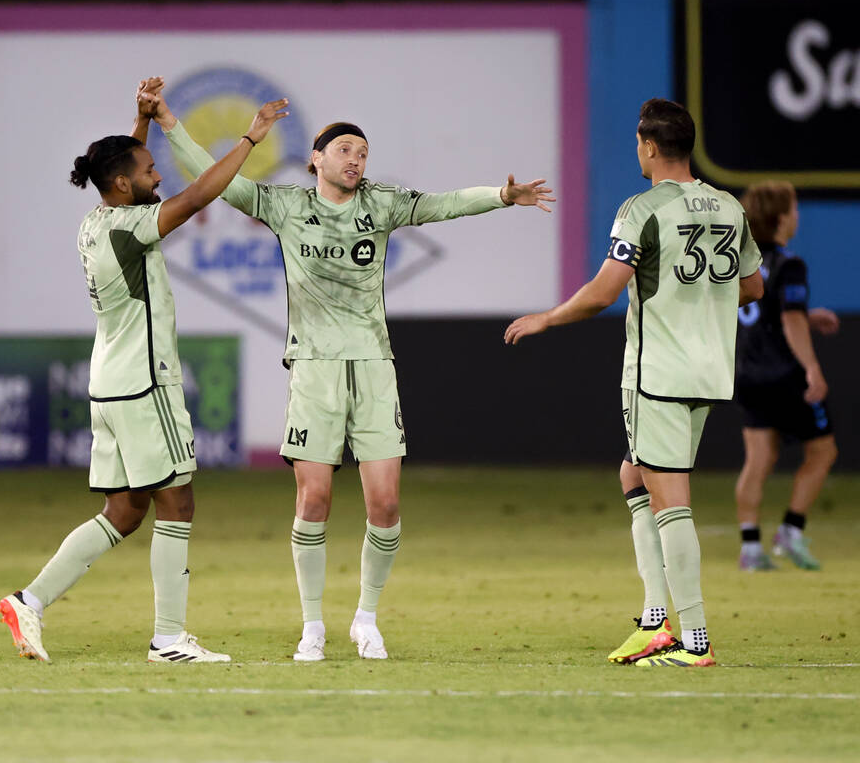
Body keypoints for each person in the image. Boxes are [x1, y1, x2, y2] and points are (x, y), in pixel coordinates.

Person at [147, 80, 553, 661]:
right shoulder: (285, 206)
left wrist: (500, 194)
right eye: (345, 150)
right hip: (313, 366)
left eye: (363, 153)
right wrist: (167, 122)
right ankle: (312, 625)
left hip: (373, 365)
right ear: (316, 158)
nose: (356, 160)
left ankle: (366, 618)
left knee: (385, 504)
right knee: (313, 500)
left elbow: (441, 205)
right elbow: (217, 180)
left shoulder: (380, 205)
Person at [0, 80, 289, 664]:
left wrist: (142, 122)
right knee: (177, 503)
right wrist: (249, 140)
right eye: (151, 170)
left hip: (109, 384)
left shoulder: (96, 220)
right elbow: (202, 195)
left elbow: (127, 174)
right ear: (125, 184)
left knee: (125, 511)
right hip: (144, 384)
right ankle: (169, 638)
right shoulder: (132, 228)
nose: (160, 177)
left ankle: (28, 601)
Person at [505, 98, 764, 667]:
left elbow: (602, 292)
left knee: (672, 502)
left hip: (659, 373)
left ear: (648, 147)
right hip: (711, 372)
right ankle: (653, 618)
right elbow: (753, 287)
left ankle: (693, 640)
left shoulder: (641, 209)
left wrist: (546, 318)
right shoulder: (728, 207)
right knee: (634, 472)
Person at [733, 181, 839, 571]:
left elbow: (761, 315)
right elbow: (790, 319)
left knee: (758, 459)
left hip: (747, 374)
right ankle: (791, 530)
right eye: (794, 209)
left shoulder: (742, 261)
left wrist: (808, 316)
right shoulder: (789, 264)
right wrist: (812, 368)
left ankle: (750, 548)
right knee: (823, 451)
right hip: (786, 376)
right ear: (780, 218)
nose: (798, 216)